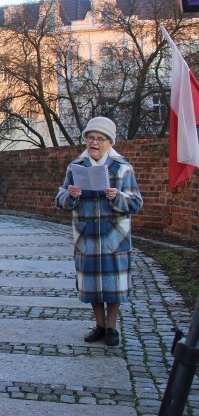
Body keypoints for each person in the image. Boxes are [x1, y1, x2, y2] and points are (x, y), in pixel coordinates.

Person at [55, 116, 143, 347]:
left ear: (109, 142)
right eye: (90, 138)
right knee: (92, 283)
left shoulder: (123, 168)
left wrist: (118, 197)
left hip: (115, 235)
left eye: (99, 139)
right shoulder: (76, 167)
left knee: (114, 284)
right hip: (87, 235)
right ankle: (99, 325)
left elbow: (135, 203)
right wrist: (71, 195)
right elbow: (61, 200)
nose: (94, 143)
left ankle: (112, 328)